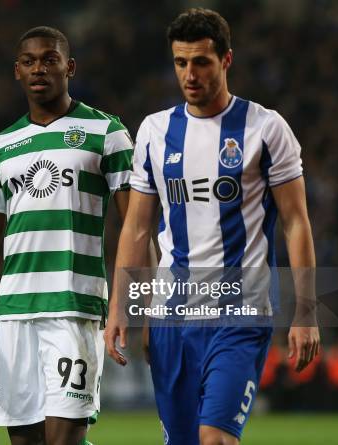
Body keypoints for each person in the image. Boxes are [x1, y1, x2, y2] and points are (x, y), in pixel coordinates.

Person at [104, 8, 320, 445]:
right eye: (181, 63)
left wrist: (306, 311)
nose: (190, 74)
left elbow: (296, 223)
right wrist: (122, 307)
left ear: (226, 60)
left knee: (215, 438)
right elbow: (137, 229)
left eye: (201, 61)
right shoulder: (155, 131)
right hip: (172, 314)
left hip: (241, 311)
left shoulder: (266, 128)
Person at [0, 26, 133, 445]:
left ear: (69, 67)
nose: (39, 69)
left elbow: (135, 226)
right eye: (29, 62)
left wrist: (136, 303)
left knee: (64, 438)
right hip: (14, 311)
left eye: (49, 59)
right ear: (17, 71)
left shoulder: (108, 132)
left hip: (74, 305)